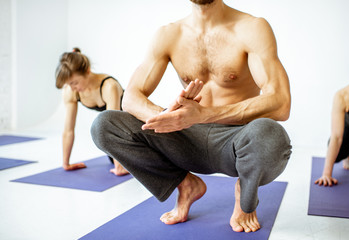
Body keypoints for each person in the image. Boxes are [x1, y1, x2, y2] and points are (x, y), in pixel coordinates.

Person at [91, 0, 291, 233]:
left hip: (235, 141)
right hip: (186, 138)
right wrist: (167, 116)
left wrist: (204, 114)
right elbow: (131, 99)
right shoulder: (169, 34)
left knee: (270, 135)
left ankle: (245, 194)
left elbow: (281, 104)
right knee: (104, 125)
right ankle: (186, 186)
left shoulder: (251, 28)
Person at [55, 47, 129, 176]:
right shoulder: (71, 91)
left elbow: (113, 127)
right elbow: (68, 130)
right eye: (68, 84)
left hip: (134, 130)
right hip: (117, 141)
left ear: (87, 71)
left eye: (75, 83)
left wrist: (120, 167)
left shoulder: (108, 86)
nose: (72, 88)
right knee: (113, 159)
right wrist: (66, 163)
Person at [315, 83, 349, 187]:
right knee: (338, 154)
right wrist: (326, 174)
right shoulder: (343, 95)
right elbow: (336, 137)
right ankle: (346, 155)